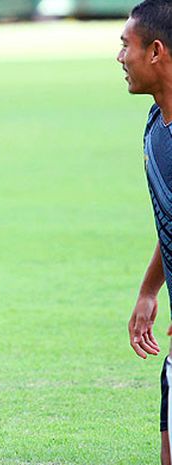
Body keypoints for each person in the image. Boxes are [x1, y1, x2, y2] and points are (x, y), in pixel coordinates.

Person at [122, 1, 172, 464]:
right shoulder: (156, 124)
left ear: (155, 51)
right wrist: (148, 290)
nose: (120, 57)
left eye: (126, 45)